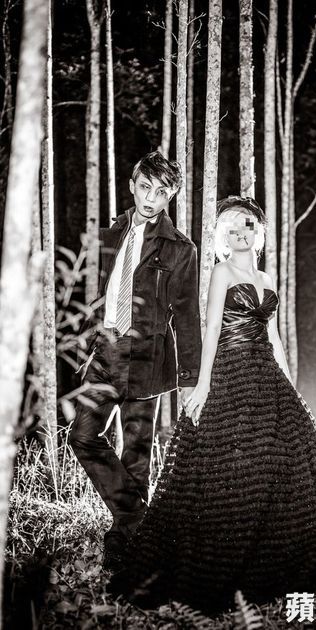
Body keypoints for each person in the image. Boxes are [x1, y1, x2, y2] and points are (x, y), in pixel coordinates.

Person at [109, 195, 316, 613]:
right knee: (230, 462)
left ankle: (283, 545)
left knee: (283, 460)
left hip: (266, 372)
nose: (239, 231)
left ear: (259, 233)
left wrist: (289, 386)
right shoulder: (222, 272)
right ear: (223, 238)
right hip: (229, 370)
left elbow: (272, 336)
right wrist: (202, 385)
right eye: (231, 228)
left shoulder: (267, 278)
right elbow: (211, 330)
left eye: (247, 225)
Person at [70, 151, 201, 570]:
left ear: (170, 196)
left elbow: (187, 315)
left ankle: (124, 542)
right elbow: (102, 289)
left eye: (161, 192)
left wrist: (191, 378)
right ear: (132, 185)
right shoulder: (112, 233)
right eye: (145, 187)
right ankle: (138, 520)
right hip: (105, 351)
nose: (150, 198)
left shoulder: (180, 249)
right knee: (82, 436)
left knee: (137, 454)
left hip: (147, 355)